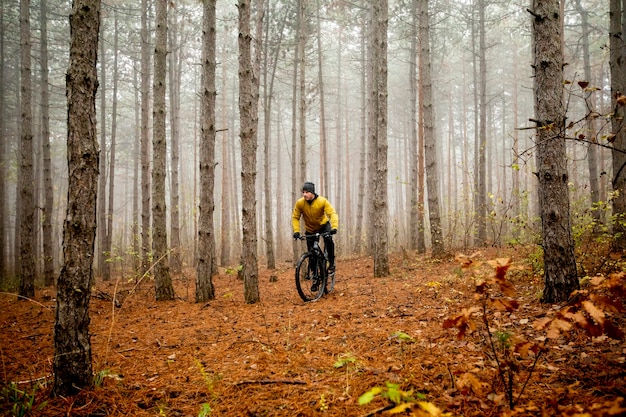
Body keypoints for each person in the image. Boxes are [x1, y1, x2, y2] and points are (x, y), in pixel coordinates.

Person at [292, 181, 339, 278]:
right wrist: (296, 231)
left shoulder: (322, 201)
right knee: (312, 253)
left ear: (312, 192)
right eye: (303, 192)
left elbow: (332, 213)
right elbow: (295, 217)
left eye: (307, 192)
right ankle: (315, 276)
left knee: (328, 240)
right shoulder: (300, 203)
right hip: (310, 229)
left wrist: (334, 227)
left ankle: (331, 263)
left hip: (323, 226)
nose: (304, 194)